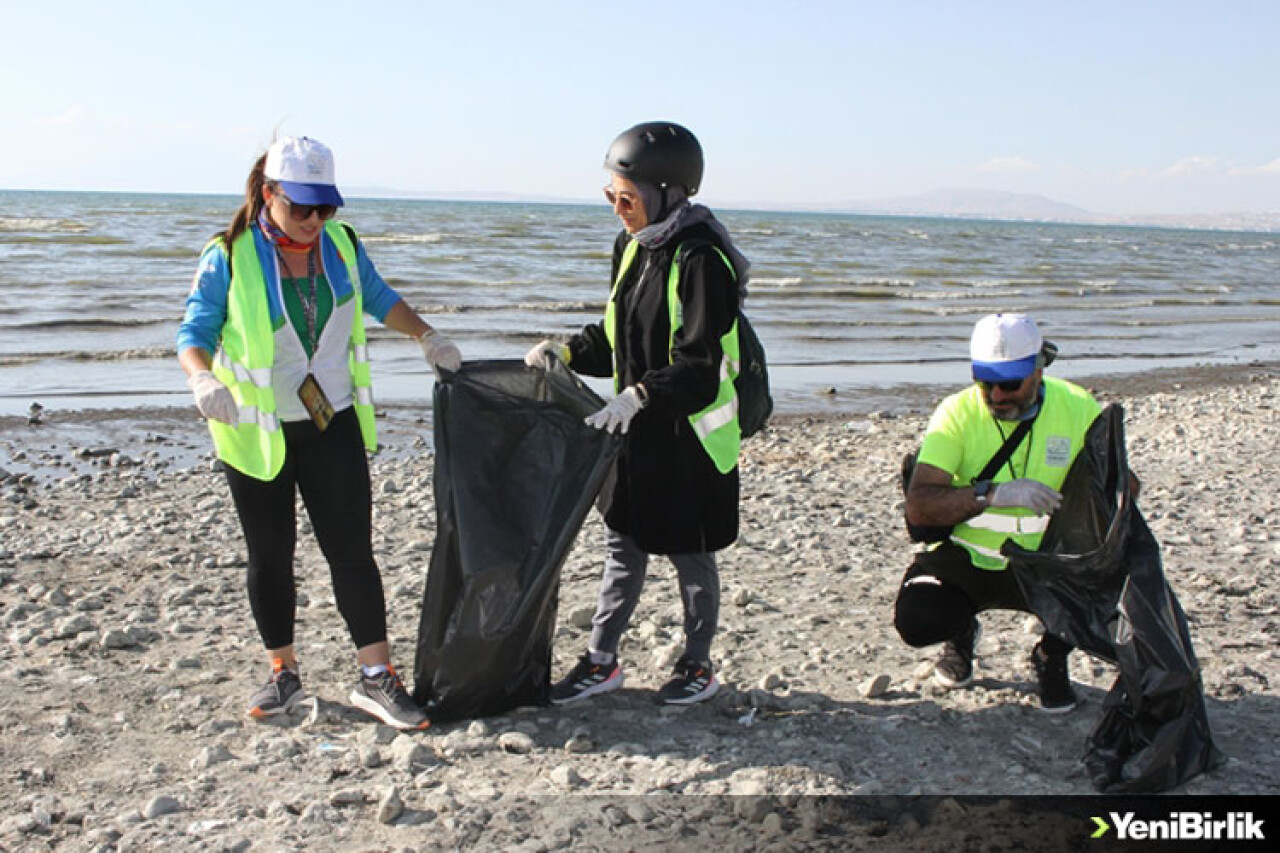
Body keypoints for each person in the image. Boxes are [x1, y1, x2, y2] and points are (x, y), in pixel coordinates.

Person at [176, 136, 462, 730]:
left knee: (352, 552)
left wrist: (427, 337)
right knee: (271, 555)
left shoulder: (341, 244)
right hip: (258, 433)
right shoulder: (228, 254)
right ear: (269, 193)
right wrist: (201, 379)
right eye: (301, 208)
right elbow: (195, 328)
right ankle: (282, 672)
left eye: (324, 208)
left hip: (331, 423)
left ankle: (376, 678)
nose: (313, 221)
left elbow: (381, 298)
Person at [525, 121, 749, 705]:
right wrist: (567, 350)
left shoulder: (702, 261)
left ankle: (698, 666)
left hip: (693, 438)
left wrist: (640, 395)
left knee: (690, 554)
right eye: (611, 196)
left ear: (669, 192)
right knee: (623, 543)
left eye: (627, 197)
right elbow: (617, 334)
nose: (618, 208)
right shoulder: (633, 247)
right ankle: (601, 660)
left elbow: (700, 365)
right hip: (638, 432)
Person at [895, 313, 1135, 713]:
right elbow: (919, 504)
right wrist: (990, 494)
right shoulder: (956, 412)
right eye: (986, 383)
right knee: (919, 618)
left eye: (1009, 384)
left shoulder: (1077, 407)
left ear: (1038, 371)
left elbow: (1124, 487)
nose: (997, 396)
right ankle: (961, 633)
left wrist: (1092, 494)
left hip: (1046, 563)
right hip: (969, 558)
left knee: (1112, 598)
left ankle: (1051, 656)